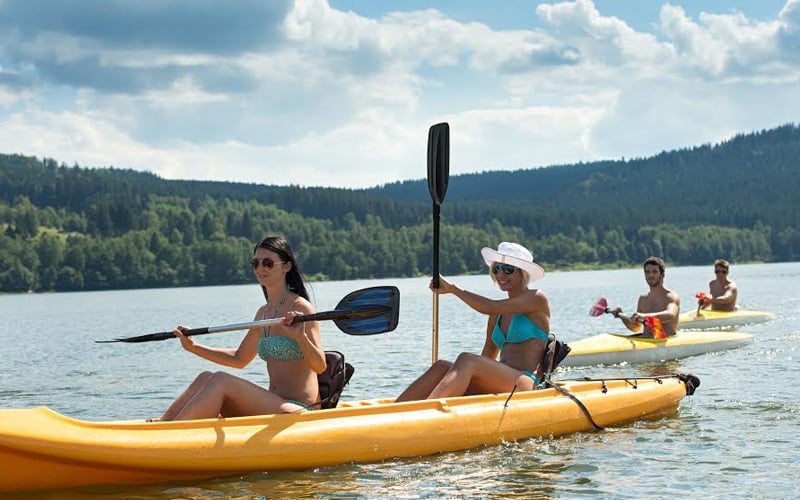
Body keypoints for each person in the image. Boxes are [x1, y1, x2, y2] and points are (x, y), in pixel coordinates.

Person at [159, 236, 327, 421]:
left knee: (220, 380)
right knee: (205, 377)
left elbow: (320, 366)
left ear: (286, 266)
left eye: (268, 263)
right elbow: (239, 359)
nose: (260, 269)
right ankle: (161, 428)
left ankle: (167, 437)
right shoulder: (263, 313)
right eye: (256, 263)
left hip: (300, 409)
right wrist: (194, 347)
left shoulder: (302, 308)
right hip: (274, 403)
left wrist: (300, 337)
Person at [395, 242, 550, 402]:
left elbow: (489, 306)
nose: (501, 275)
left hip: (526, 383)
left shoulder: (537, 299)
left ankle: (427, 414)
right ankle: (393, 412)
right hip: (501, 381)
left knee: (467, 359)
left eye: (508, 269)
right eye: (497, 269)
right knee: (441, 366)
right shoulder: (497, 315)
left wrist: (452, 289)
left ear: (523, 273)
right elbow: (486, 360)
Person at [610, 256, 681, 337]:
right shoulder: (643, 299)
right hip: (646, 341)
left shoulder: (671, 297)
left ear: (662, 274)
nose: (651, 275)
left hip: (665, 341)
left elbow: (670, 315)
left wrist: (644, 316)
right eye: (647, 272)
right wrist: (621, 316)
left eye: (654, 271)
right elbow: (635, 327)